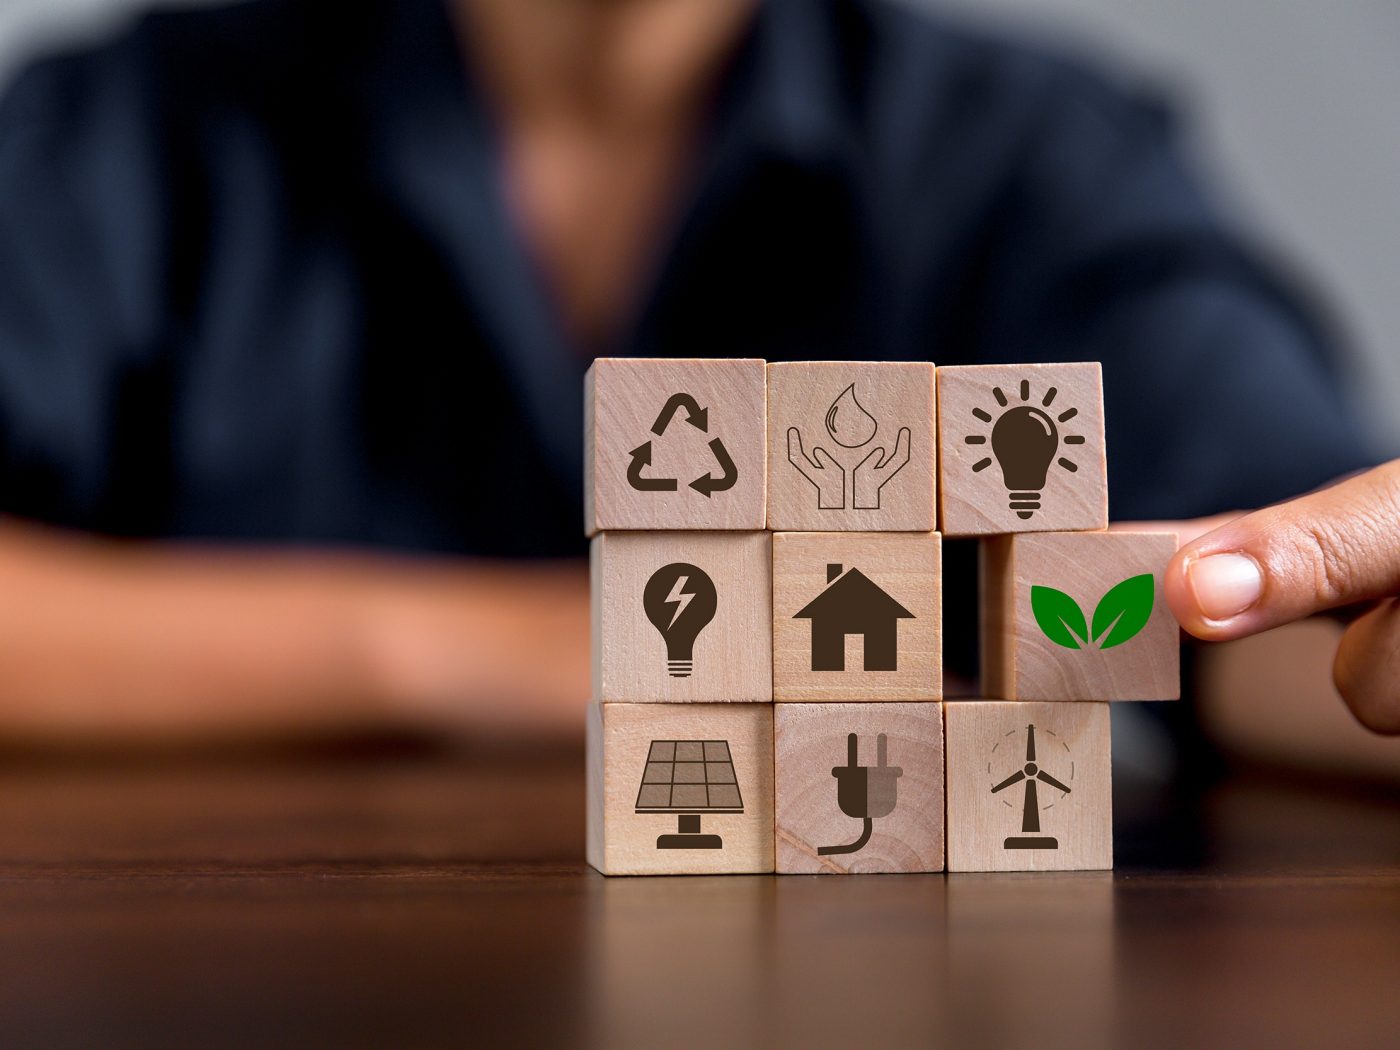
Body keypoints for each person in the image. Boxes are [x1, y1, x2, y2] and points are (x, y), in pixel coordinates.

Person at [0, 0, 1384, 742]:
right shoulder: (112, 134)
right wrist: (552, 647)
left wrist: (1367, 662)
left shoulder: (1036, 156)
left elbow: (1244, 599)